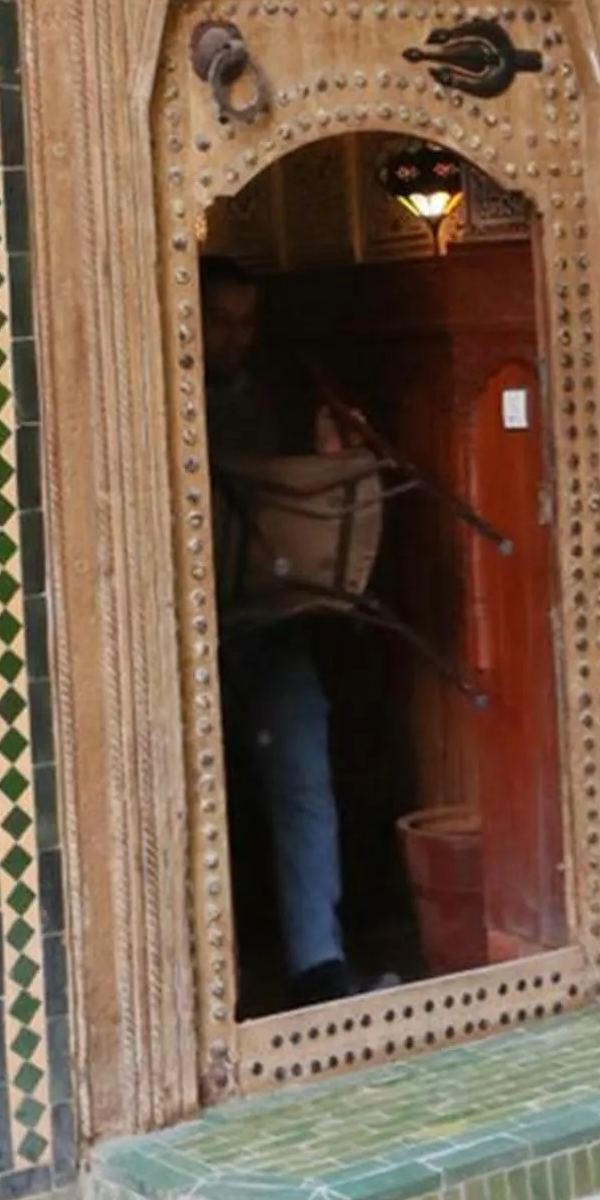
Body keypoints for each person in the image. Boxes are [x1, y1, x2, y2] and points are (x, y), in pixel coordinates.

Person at [200, 255, 362, 1009]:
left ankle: (318, 965)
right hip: (188, 635)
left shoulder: (265, 400)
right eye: (221, 321)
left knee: (301, 769)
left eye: (246, 323)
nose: (237, 339)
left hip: (265, 625)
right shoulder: (161, 401)